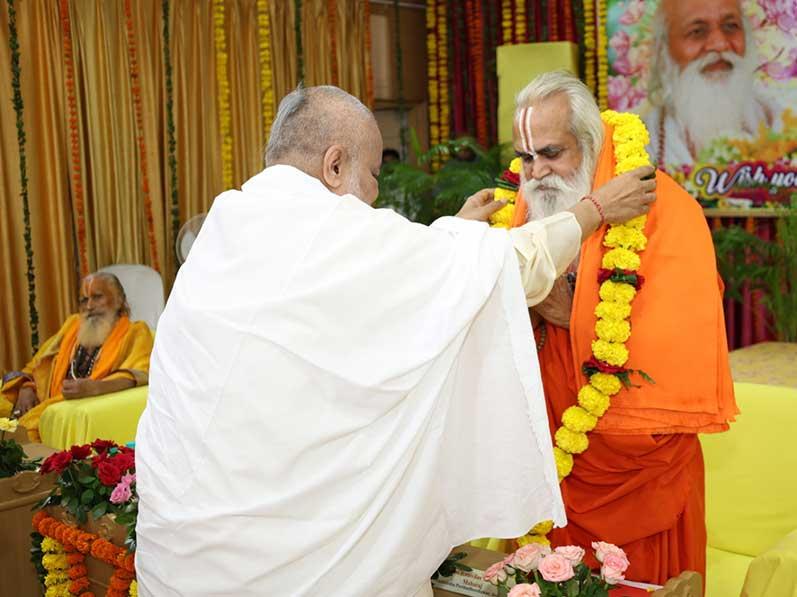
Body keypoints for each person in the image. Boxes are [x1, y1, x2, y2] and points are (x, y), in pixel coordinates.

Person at [134, 85, 655, 597]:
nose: (376, 194)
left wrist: (447, 235)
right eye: (373, 175)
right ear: (334, 166)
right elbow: (511, 268)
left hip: (181, 561)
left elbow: (362, 294)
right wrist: (595, 210)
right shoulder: (327, 226)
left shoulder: (230, 221)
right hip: (301, 572)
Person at [508, 71, 737, 584]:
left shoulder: (664, 209)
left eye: (551, 153)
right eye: (526, 158)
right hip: (546, 454)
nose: (537, 172)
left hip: (633, 467)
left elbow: (682, 331)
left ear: (589, 144)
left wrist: (574, 317)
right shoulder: (523, 209)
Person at [1, 272, 153, 441]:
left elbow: (140, 373)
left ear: (118, 300)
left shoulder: (135, 331)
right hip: (44, 401)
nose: (89, 306)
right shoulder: (72, 326)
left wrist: (94, 388)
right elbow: (38, 363)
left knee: (20, 435)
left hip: (71, 408)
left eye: (97, 297)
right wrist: (26, 387)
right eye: (84, 300)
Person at [641, 0, 781, 167]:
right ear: (663, 49)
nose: (720, 44)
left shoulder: (781, 122)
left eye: (730, 26)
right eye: (697, 31)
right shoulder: (645, 143)